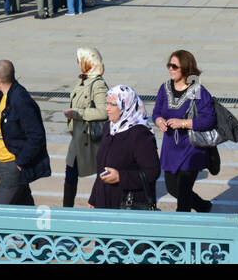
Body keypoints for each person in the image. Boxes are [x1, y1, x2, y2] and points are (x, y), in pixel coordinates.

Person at [152, 49, 216, 212]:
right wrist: (159, 120)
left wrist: (183, 123)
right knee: (173, 188)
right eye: (169, 65)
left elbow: (209, 119)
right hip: (170, 149)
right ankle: (203, 205)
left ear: (186, 68)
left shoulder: (198, 91)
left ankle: (182, 233)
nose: (170, 69)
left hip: (191, 149)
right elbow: (156, 111)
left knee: (183, 195)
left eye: (175, 66)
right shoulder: (164, 87)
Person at [88, 85, 161, 210]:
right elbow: (102, 167)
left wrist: (120, 177)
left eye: (112, 104)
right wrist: (94, 198)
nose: (107, 108)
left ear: (125, 106)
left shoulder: (140, 135)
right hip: (103, 202)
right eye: (107, 103)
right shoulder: (109, 128)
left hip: (128, 206)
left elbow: (152, 172)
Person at [0, 59, 51, 205]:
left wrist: (21, 162)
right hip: (4, 165)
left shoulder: (20, 99)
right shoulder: (5, 96)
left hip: (12, 166)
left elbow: (37, 135)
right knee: (25, 209)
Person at [62, 47, 108, 207]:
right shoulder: (83, 79)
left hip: (91, 139)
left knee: (102, 176)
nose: (77, 63)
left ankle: (99, 206)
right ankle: (66, 212)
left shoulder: (98, 84)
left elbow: (104, 112)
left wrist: (78, 113)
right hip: (78, 138)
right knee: (70, 174)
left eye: (80, 60)